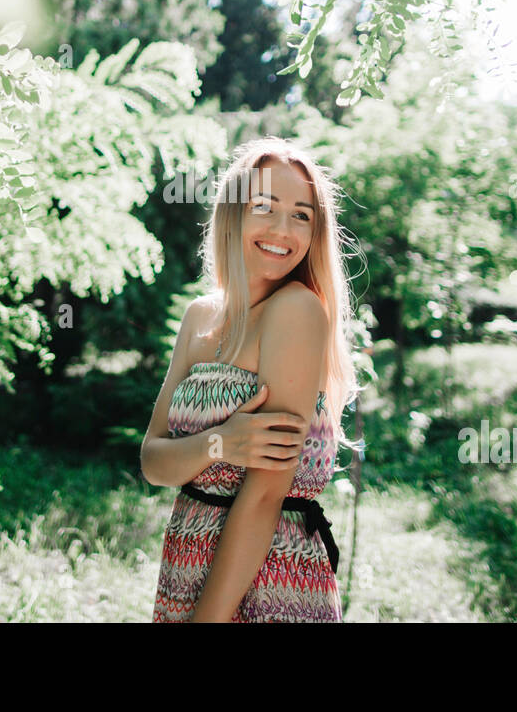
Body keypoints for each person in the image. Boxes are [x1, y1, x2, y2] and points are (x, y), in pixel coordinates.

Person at [141, 137, 363, 622]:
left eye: (302, 215)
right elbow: (154, 462)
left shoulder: (297, 310)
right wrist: (220, 443)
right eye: (265, 206)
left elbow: (265, 494)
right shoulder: (200, 317)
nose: (283, 230)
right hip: (186, 566)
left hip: (269, 578)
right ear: (233, 213)